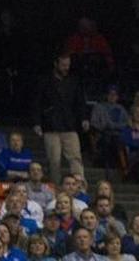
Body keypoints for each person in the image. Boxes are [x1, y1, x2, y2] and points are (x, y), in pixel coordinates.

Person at [33, 54, 89, 184]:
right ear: (56, 64)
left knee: (75, 157)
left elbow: (80, 101)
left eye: (68, 65)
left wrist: (84, 118)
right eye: (63, 65)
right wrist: (37, 123)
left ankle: (79, 185)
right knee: (54, 160)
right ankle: (56, 186)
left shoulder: (73, 81)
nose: (66, 68)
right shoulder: (45, 81)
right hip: (51, 126)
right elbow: (37, 102)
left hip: (69, 125)